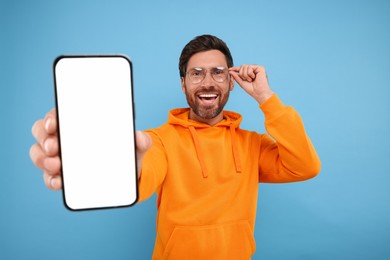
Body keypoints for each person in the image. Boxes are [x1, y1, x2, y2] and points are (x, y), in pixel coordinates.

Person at [30, 34, 321, 259]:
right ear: (183, 84)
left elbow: (305, 166)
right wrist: (113, 161)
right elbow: (141, 174)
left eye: (218, 72)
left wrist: (266, 97)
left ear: (232, 82)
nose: (208, 83)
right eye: (197, 73)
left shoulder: (252, 144)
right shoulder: (159, 141)